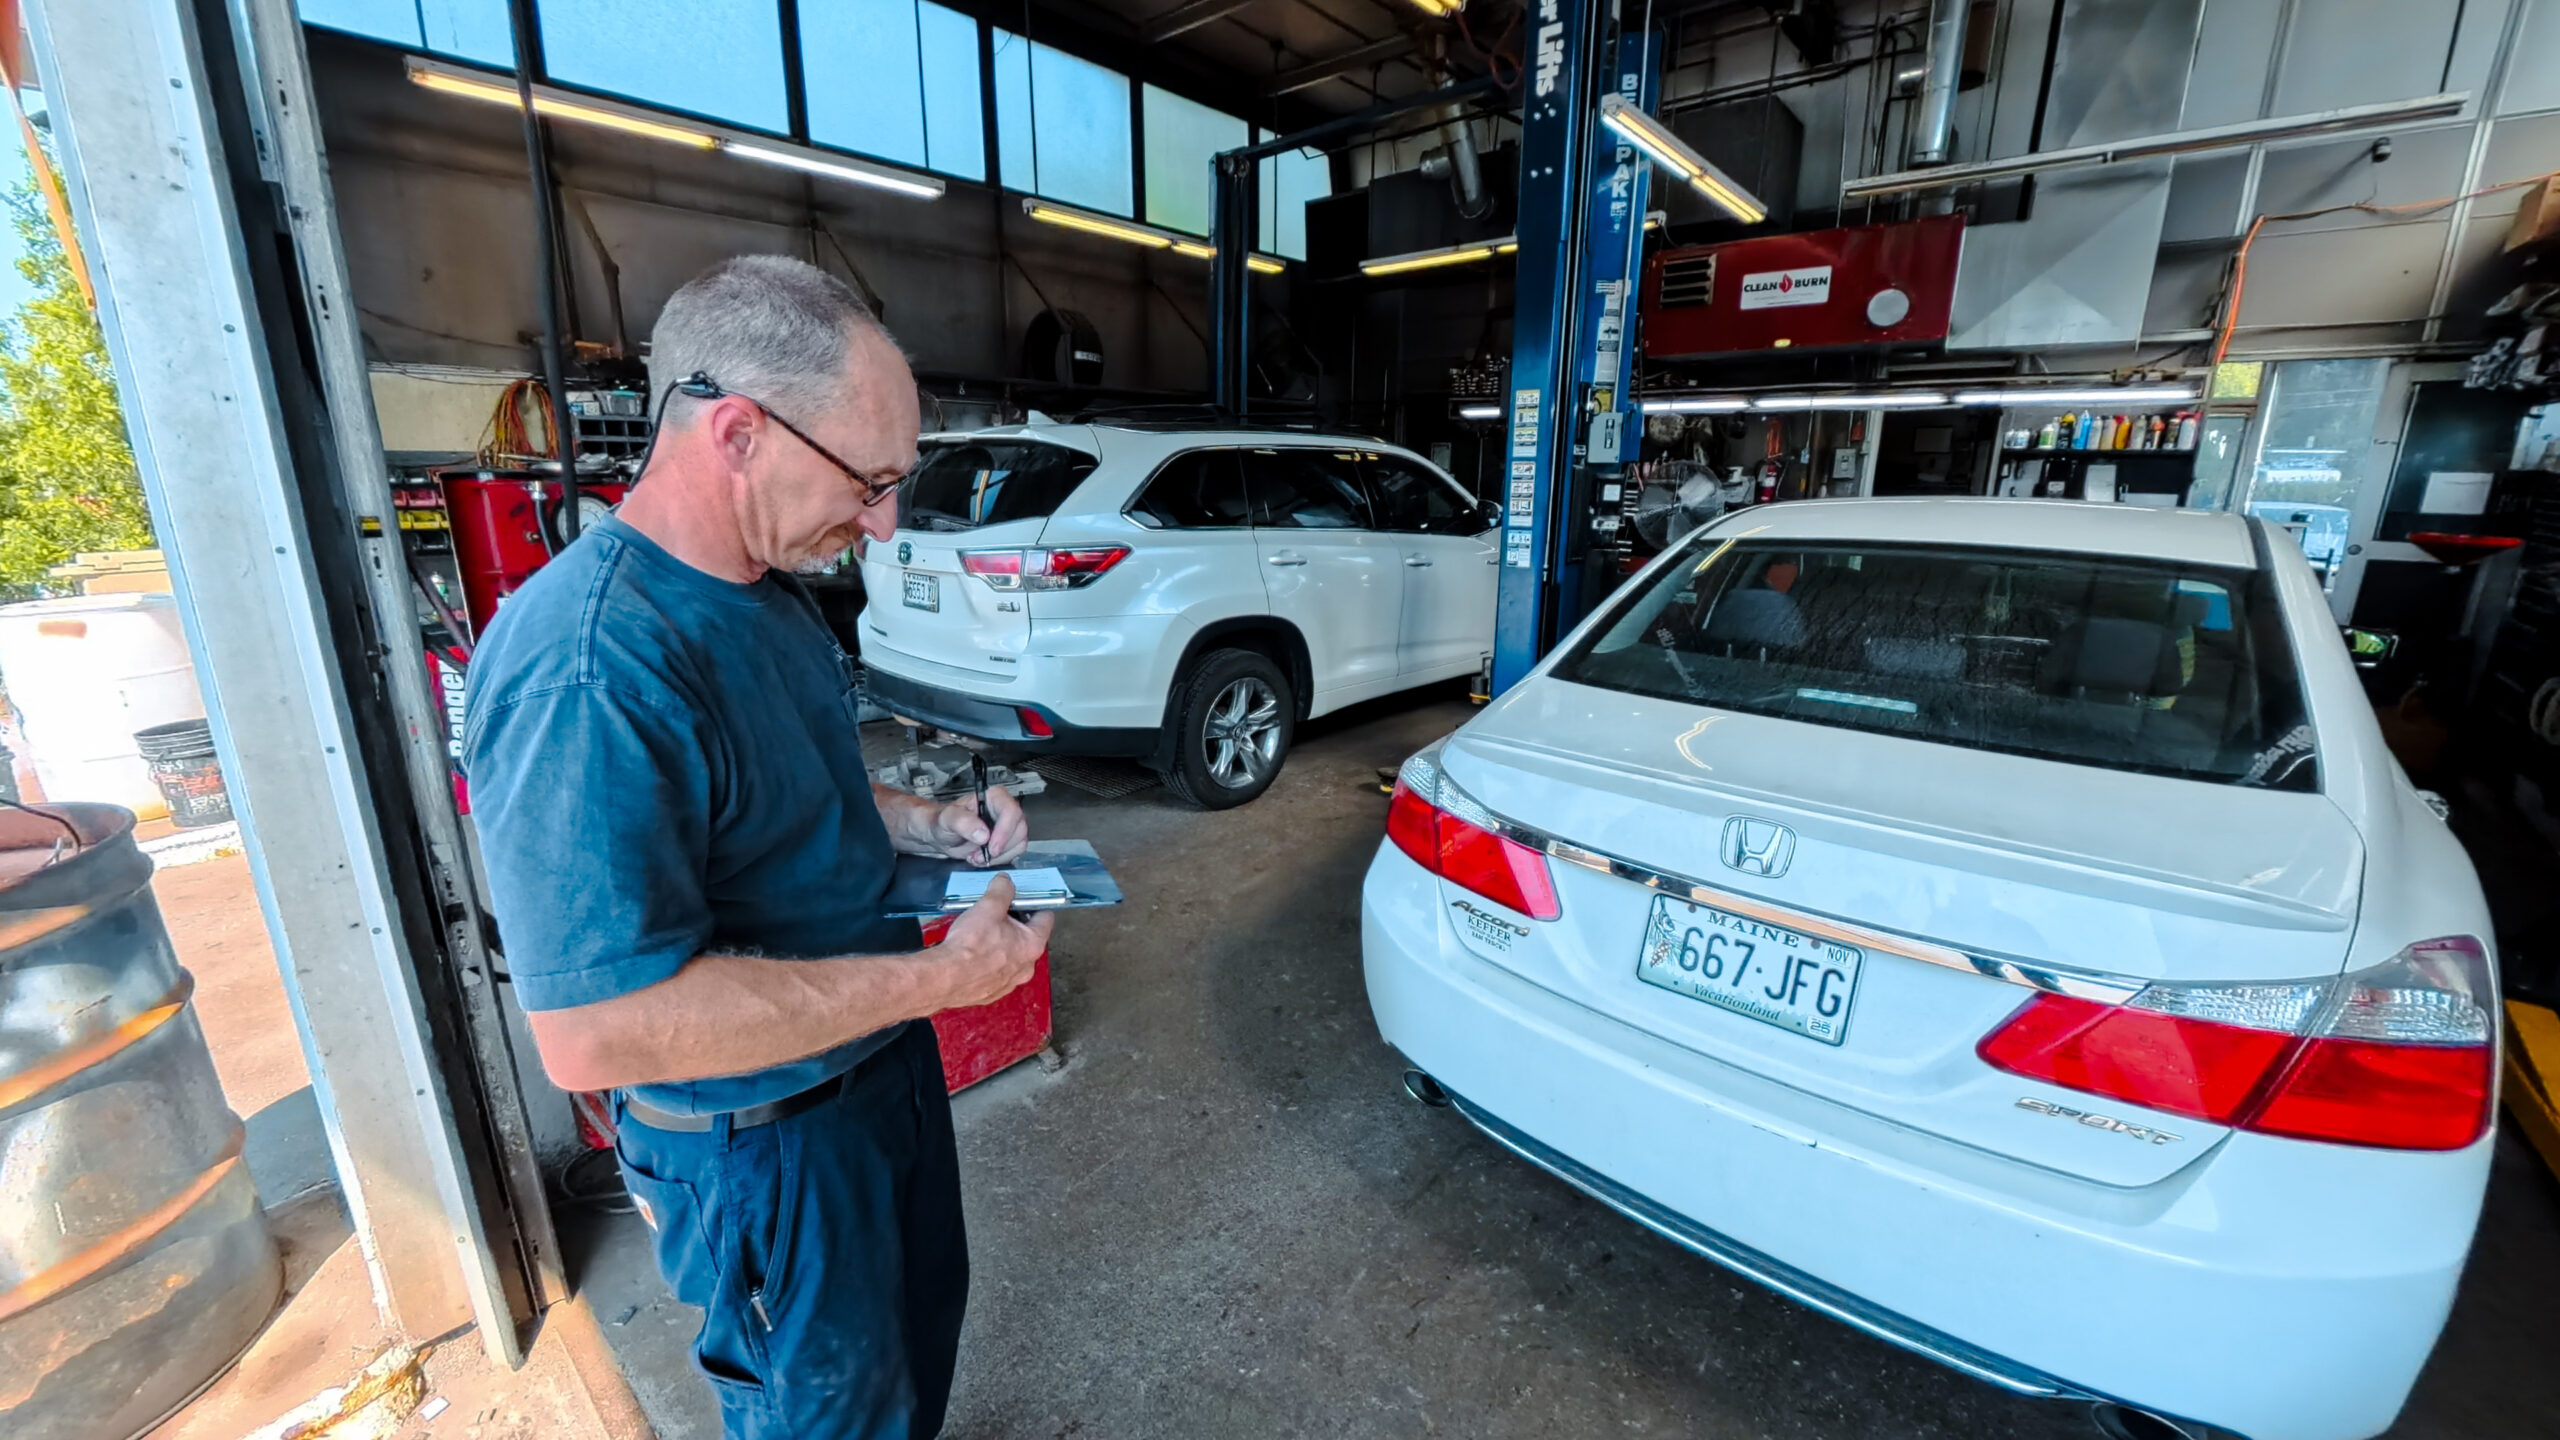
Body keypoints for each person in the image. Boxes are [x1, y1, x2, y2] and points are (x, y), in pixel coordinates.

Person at [464, 254, 1051, 1439]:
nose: (883, 523)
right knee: (823, 1411)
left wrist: (925, 821)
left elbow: (791, 791)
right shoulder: (590, 666)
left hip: (873, 1076)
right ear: (737, 432)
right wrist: (945, 981)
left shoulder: (767, 587)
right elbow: (594, 1031)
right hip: (763, 1148)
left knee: (907, 1359)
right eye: (869, 481)